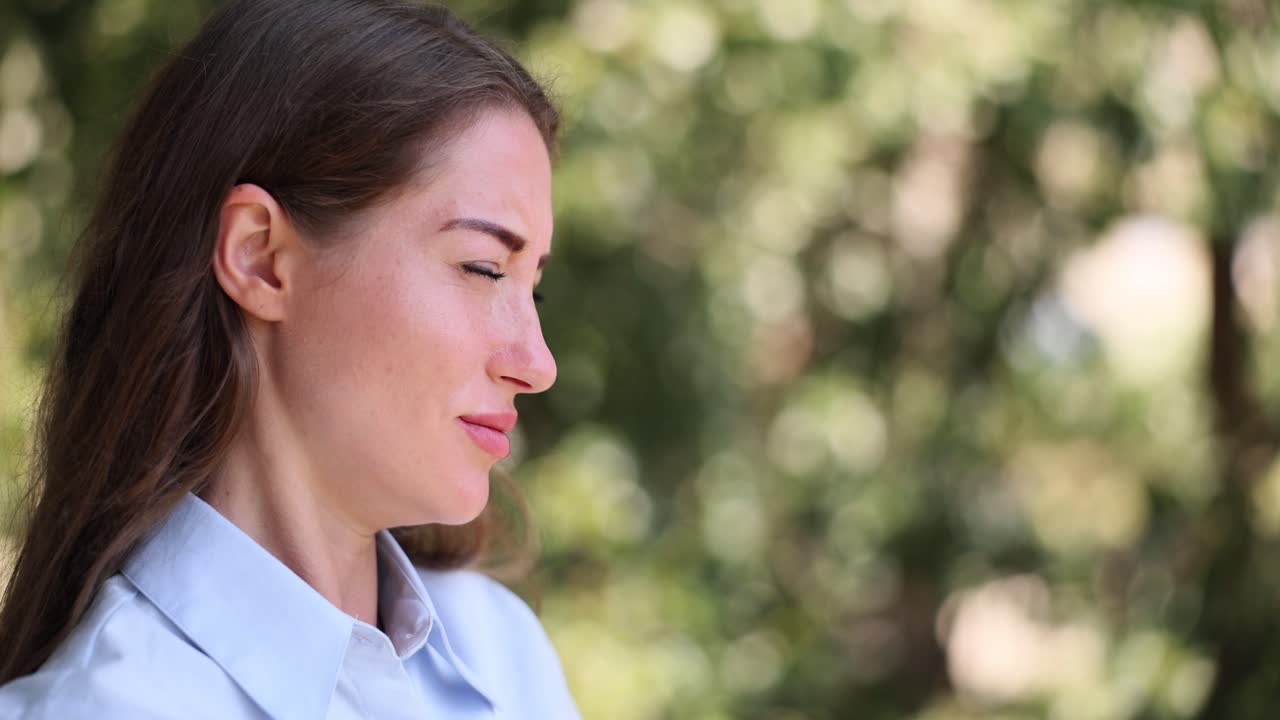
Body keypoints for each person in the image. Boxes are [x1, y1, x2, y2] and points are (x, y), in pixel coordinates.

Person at [0, 0, 580, 717]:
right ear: (261, 258)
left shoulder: (503, 654)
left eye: (535, 291)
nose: (537, 362)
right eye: (484, 269)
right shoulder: (101, 706)